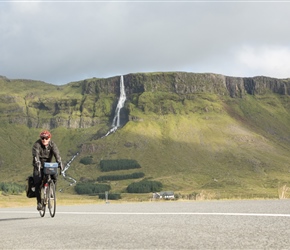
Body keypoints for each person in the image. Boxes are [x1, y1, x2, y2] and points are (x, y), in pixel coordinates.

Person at [32, 130, 63, 210]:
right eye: (42, 138)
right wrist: (37, 162)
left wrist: (59, 162)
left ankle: (52, 191)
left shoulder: (52, 145)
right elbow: (35, 154)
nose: (44, 140)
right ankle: (39, 202)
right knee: (37, 182)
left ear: (49, 138)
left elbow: (57, 154)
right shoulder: (37, 144)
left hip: (48, 165)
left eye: (46, 138)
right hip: (38, 165)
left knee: (55, 176)